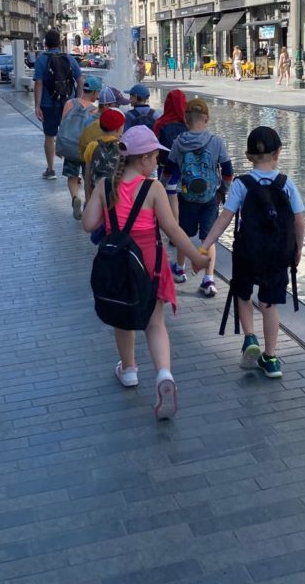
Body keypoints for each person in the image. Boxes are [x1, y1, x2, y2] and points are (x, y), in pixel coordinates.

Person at [81, 125, 210, 419]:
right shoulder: (153, 189)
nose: (157, 163)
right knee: (155, 323)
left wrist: (103, 205)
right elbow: (172, 229)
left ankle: (128, 370)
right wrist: (196, 257)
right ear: (143, 159)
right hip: (149, 263)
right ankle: (164, 374)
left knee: (123, 317)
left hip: (118, 263)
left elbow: (88, 224)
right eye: (155, 157)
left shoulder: (106, 186)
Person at [201, 126, 305, 380]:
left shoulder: (242, 184)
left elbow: (225, 218)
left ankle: (249, 337)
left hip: (247, 251)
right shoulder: (286, 184)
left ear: (248, 156)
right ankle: (271, 359)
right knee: (269, 305)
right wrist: (297, 250)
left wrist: (204, 246)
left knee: (243, 294)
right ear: (278, 153)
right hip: (277, 255)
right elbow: (299, 220)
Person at [163, 97, 233, 298]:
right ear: (207, 118)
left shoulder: (178, 142)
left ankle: (180, 269)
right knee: (208, 238)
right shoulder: (216, 141)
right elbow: (228, 171)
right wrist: (222, 191)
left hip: (187, 196)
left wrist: (161, 190)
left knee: (183, 234)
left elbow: (168, 171)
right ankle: (208, 279)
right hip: (211, 198)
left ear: (186, 119)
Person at [34, 29, 83, 181]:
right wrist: (78, 100)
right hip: (68, 104)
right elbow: (80, 80)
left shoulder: (41, 60)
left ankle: (50, 170)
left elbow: (38, 83)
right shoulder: (69, 58)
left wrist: (37, 106)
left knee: (49, 137)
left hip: (48, 105)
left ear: (46, 44)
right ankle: (74, 172)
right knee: (72, 137)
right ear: (59, 43)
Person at [58, 76, 102, 219]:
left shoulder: (70, 103)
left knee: (72, 176)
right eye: (98, 93)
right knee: (87, 176)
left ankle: (75, 197)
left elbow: (63, 124)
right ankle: (88, 203)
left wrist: (60, 145)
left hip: (70, 146)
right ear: (94, 92)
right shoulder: (94, 110)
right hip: (86, 149)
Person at [153, 89, 188, 222]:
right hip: (185, 168)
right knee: (182, 195)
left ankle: (171, 224)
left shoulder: (161, 123)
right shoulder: (188, 124)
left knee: (168, 196)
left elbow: (155, 146)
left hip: (165, 167)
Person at [83, 107, 125, 204]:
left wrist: (88, 201)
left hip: (96, 197)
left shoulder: (92, 146)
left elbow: (87, 177)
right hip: (116, 198)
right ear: (119, 129)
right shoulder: (123, 148)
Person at [79, 86, 124, 164]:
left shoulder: (88, 120)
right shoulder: (109, 122)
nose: (115, 109)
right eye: (115, 106)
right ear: (106, 106)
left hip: (88, 160)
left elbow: (82, 142)